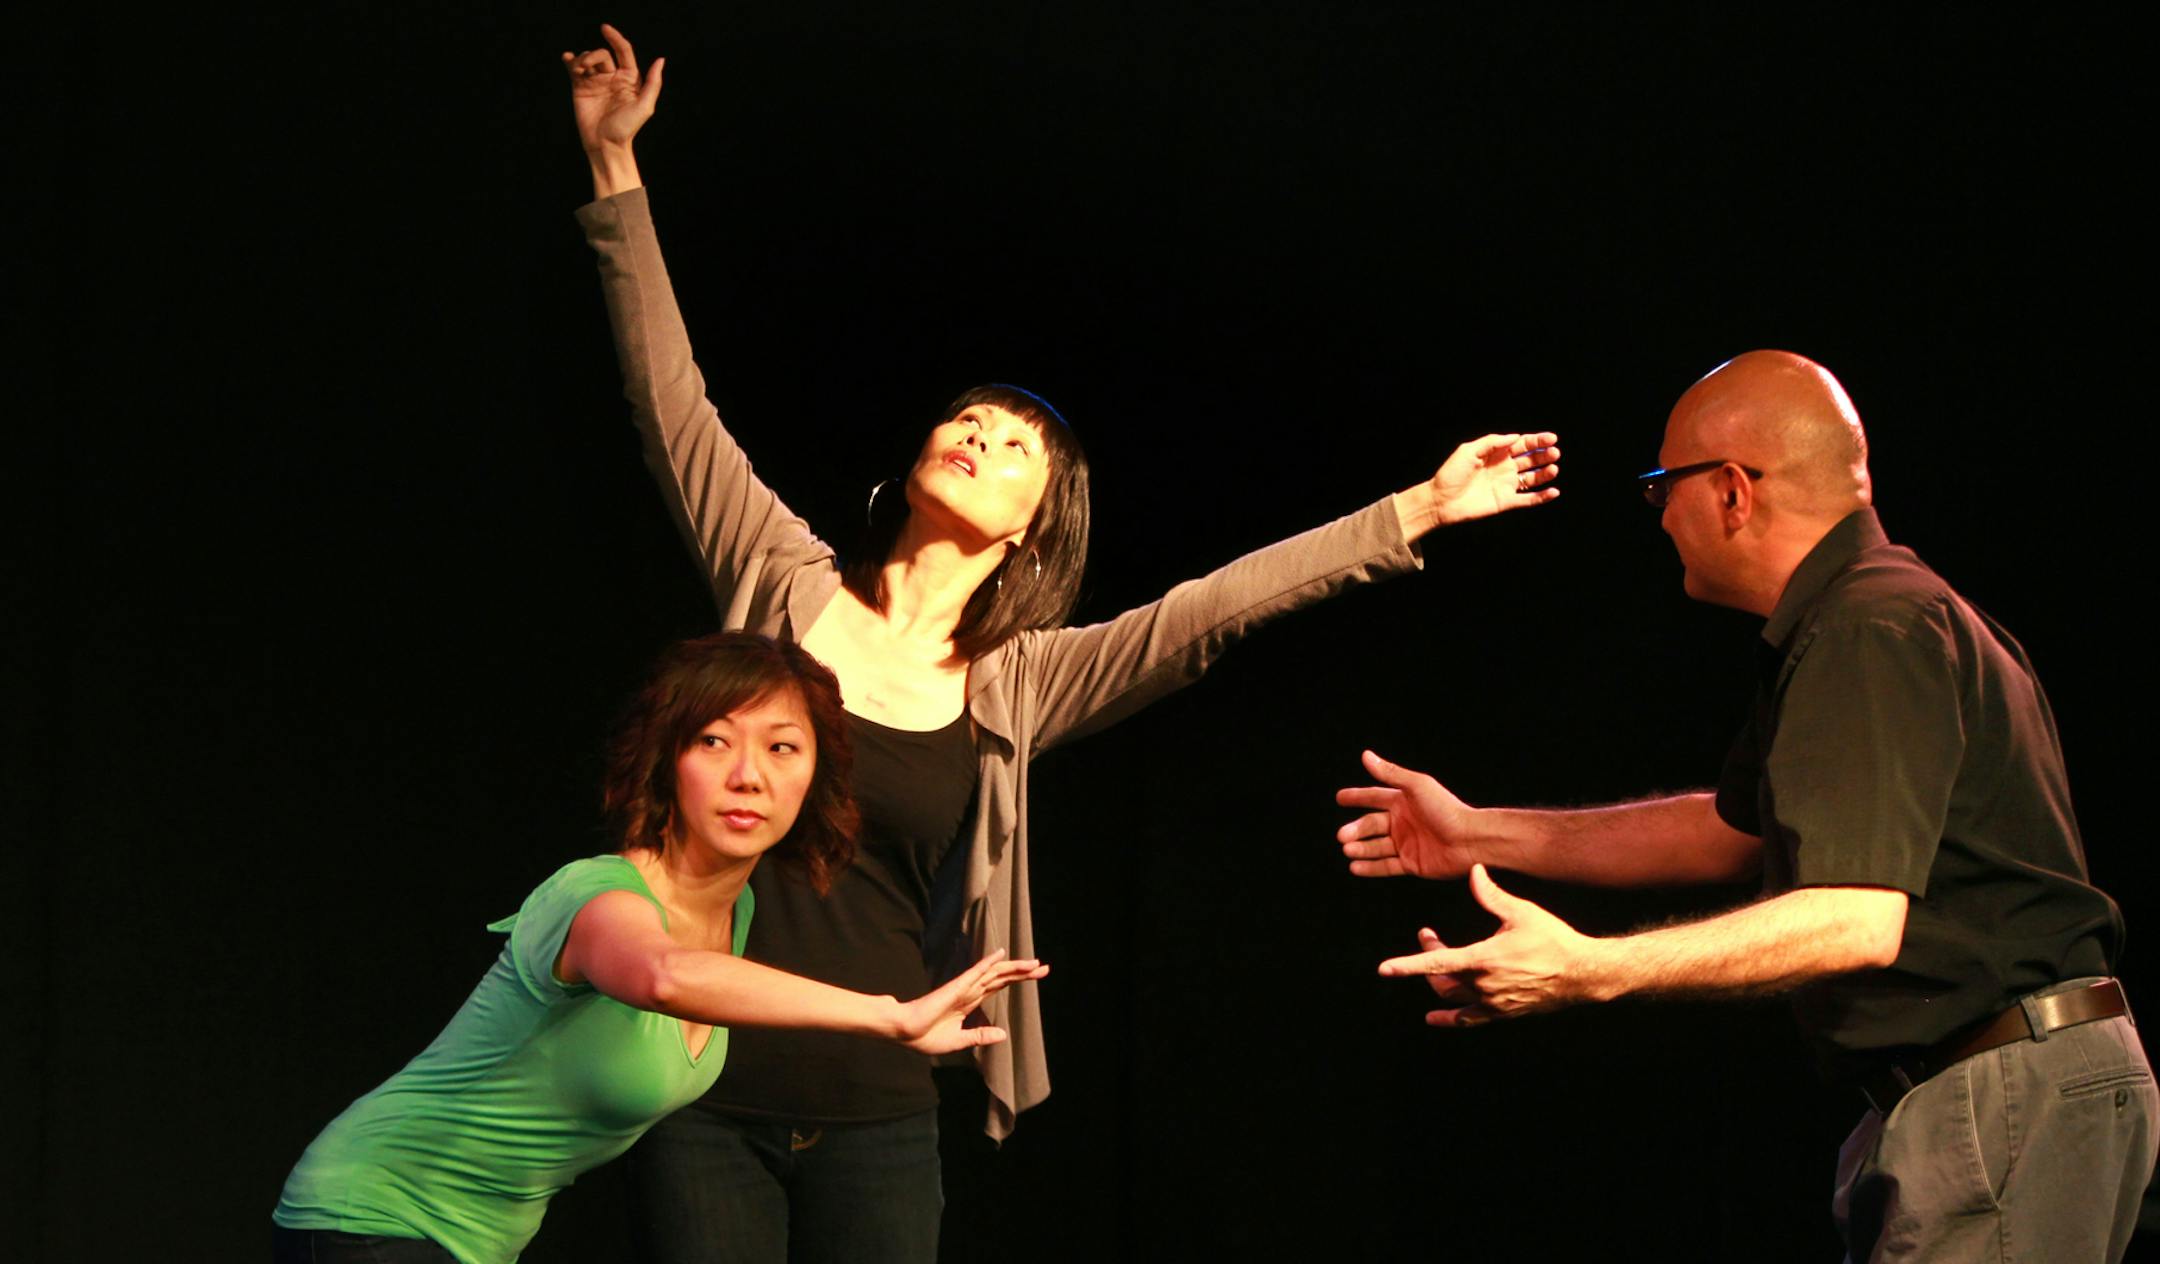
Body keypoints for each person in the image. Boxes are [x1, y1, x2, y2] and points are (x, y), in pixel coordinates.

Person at [560, 23, 1562, 1264]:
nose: (979, 435)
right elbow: (671, 401)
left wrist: (1414, 509)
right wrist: (616, 170)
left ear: (1039, 524)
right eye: (967, 420)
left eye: (1016, 442)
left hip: (878, 1108)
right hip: (702, 1090)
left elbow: (1216, 606)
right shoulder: (778, 579)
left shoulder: (1025, 680)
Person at [1336, 349, 2156, 1261]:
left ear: (1731, 490)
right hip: (1982, 1085)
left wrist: (1590, 968)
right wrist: (1478, 832)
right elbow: (1733, 833)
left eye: (1661, 485)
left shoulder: (1869, 628)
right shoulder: (1860, 618)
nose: (1658, 515)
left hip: (2002, 1083)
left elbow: (1853, 920)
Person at [270, 633, 1047, 1264]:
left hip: (466, 1243)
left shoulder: (737, 913)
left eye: (783, 749)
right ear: (667, 763)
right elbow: (664, 974)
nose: (749, 776)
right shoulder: (597, 896)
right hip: (371, 1214)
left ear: (815, 777)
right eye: (714, 741)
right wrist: (889, 1017)